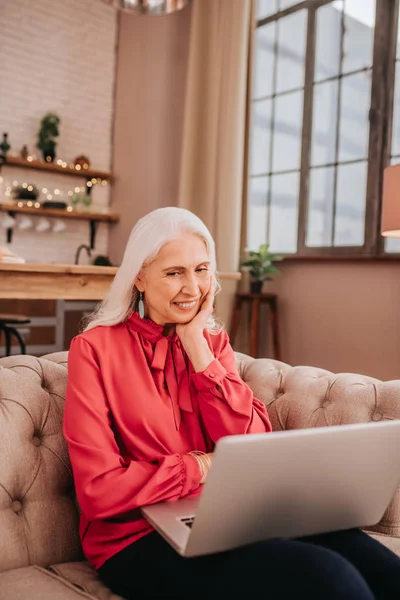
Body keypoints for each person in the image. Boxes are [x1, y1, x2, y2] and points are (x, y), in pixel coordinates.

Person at [64, 207, 400, 600]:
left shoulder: (213, 344)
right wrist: (200, 465)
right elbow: (98, 490)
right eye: (175, 273)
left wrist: (197, 349)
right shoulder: (93, 350)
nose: (193, 288)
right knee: (330, 578)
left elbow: (252, 439)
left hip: (233, 515)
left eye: (202, 269)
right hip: (135, 539)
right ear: (139, 276)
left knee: (384, 569)